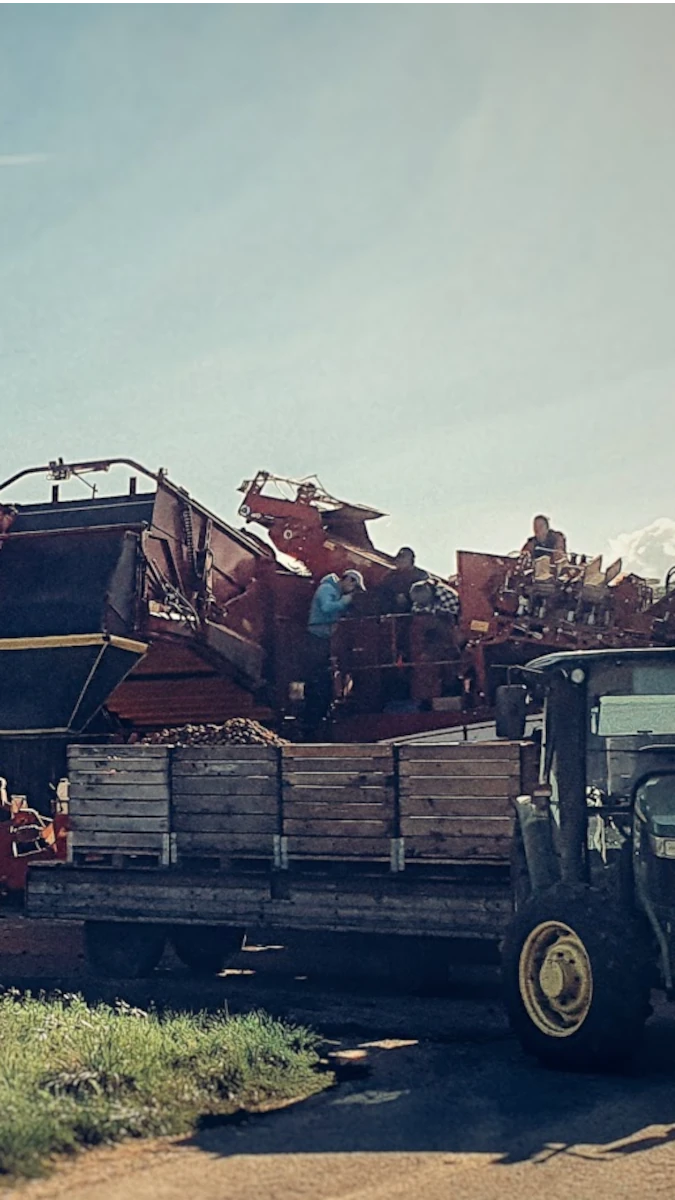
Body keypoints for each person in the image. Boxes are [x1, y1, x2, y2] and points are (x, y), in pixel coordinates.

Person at [304, 569, 366, 733]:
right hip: (316, 637)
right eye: (354, 587)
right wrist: (345, 601)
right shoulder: (327, 589)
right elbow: (326, 608)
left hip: (325, 637)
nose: (353, 591)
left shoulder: (333, 590)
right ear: (349, 581)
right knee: (318, 674)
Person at [376, 547, 428, 614]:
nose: (400, 560)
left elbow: (424, 594)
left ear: (411, 560)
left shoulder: (420, 575)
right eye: (399, 557)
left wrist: (406, 596)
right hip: (390, 606)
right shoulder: (391, 575)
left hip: (411, 609)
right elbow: (381, 588)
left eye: (403, 557)